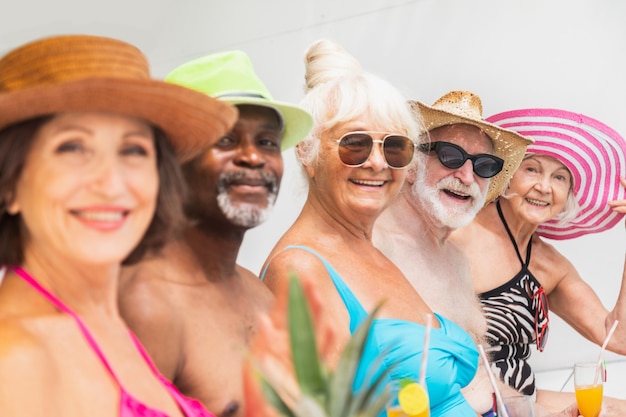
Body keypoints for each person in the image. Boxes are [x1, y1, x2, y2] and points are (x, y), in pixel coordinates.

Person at [0, 34, 238, 416]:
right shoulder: (16, 358)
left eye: (133, 150)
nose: (111, 184)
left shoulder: (106, 324)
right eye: (72, 147)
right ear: (9, 183)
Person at [260, 39, 479, 417]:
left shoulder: (367, 249)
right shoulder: (299, 272)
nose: (378, 163)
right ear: (306, 152)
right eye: (355, 145)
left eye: (395, 148)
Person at [118, 50, 313, 417]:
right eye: (226, 140)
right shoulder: (148, 303)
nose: (253, 157)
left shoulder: (259, 293)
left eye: (267, 141)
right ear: (170, 163)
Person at [450, 107, 626, 413]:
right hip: (472, 400)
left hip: (523, 393)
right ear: (506, 175)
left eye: (559, 177)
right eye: (531, 169)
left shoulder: (550, 265)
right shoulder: (460, 231)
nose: (544, 187)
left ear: (569, 194)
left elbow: (617, 336)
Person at [373, 90, 536, 417]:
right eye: (450, 155)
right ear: (412, 162)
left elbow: (481, 377)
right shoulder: (374, 245)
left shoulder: (457, 258)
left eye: (484, 165)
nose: (466, 176)